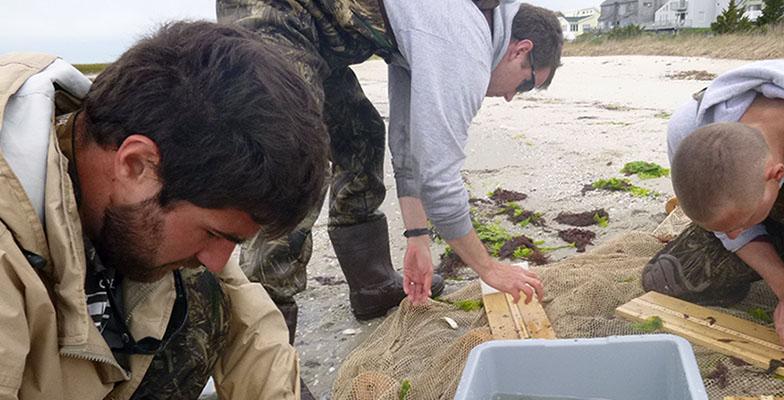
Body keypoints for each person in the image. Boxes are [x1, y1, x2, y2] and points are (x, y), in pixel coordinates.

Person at [0, 21, 327, 399]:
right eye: (214, 234)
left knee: (201, 291)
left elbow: (249, 324)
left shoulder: (122, 173)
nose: (218, 260)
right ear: (136, 164)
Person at [216, 0, 562, 335]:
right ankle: (265, 336)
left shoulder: (440, 25)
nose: (512, 96)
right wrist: (489, 269)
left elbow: (409, 142)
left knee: (361, 133)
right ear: (520, 50)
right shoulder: (466, 43)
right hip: (278, 12)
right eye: (527, 83)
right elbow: (440, 179)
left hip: (319, 36)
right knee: (298, 157)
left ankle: (371, 283)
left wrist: (418, 238)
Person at [641, 59, 784, 362]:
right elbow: (730, 232)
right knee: (666, 280)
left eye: (741, 222)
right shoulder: (688, 129)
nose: (734, 236)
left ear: (777, 175)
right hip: (782, 231)